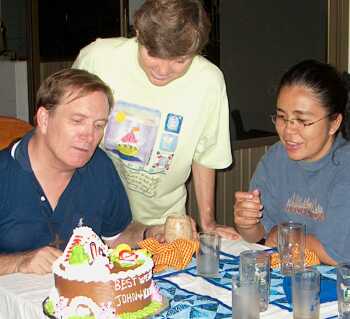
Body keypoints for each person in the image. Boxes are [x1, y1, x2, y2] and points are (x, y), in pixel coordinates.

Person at [73, 0, 238, 240]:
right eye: (153, 54)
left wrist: (208, 222)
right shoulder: (98, 59)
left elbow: (205, 155)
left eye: (180, 60)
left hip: (160, 227)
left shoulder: (209, 81)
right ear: (138, 34)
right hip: (90, 216)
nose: (162, 70)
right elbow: (64, 124)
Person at [0, 68, 158, 276]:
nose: (89, 135)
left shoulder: (100, 166)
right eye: (77, 121)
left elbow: (116, 237)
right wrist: (20, 262)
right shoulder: (4, 173)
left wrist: (151, 233)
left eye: (98, 125)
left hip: (83, 303)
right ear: (44, 119)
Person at [234, 59, 350, 265]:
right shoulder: (276, 158)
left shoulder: (344, 167)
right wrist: (247, 223)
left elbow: (336, 255)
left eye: (303, 121)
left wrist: (282, 233)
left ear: (334, 123)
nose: (288, 131)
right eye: (281, 117)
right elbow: (258, 236)